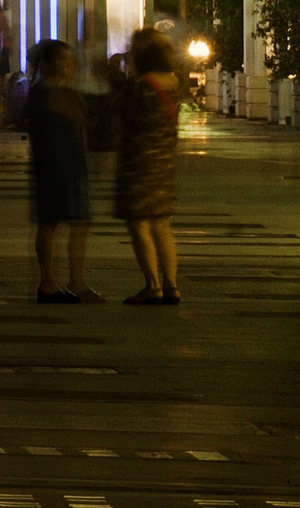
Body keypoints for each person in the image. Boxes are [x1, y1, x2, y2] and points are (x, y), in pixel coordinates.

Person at [25, 41, 100, 303]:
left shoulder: (61, 92)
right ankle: (49, 282)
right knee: (51, 223)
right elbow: (73, 117)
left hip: (71, 165)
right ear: (50, 64)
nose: (70, 65)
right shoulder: (44, 93)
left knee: (79, 222)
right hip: (54, 166)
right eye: (64, 60)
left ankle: (75, 280)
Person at [113, 29, 182, 305]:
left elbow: (121, 112)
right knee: (162, 224)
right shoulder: (175, 84)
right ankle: (171, 285)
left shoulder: (140, 86)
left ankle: (153, 285)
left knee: (140, 224)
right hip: (164, 161)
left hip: (138, 162)